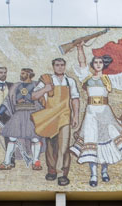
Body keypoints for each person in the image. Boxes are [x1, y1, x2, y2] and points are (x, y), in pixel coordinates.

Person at [70, 43, 122, 187]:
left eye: (100, 62)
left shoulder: (108, 79)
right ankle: (93, 174)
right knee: (92, 140)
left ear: (103, 65)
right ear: (93, 64)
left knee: (108, 140)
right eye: (96, 62)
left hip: (105, 112)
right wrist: (80, 48)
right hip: (91, 113)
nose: (98, 64)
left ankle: (104, 171)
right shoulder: (87, 76)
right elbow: (82, 62)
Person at [32, 58, 80, 186]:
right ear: (53, 66)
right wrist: (45, 89)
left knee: (64, 146)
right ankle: (52, 170)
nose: (60, 67)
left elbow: (75, 99)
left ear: (65, 66)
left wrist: (75, 116)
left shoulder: (70, 81)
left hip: (65, 116)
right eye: (57, 65)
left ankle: (61, 173)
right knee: (51, 145)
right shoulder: (47, 79)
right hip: (50, 117)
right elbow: (34, 96)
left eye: (62, 65)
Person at [0, 68, 44, 170]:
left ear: (29, 74)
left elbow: (42, 98)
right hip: (18, 114)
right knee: (12, 138)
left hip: (32, 114)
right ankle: (6, 162)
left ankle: (35, 162)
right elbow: (7, 101)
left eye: (23, 73)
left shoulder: (37, 85)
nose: (21, 75)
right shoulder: (16, 86)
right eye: (21, 73)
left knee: (35, 138)